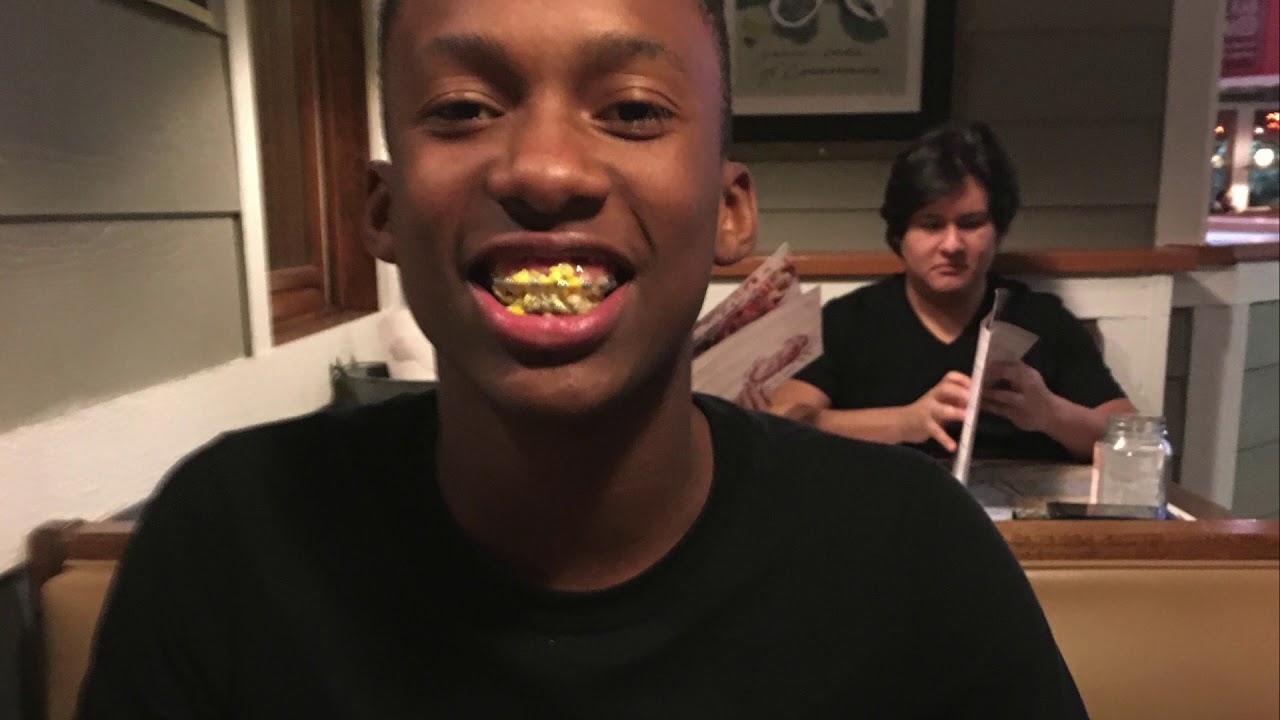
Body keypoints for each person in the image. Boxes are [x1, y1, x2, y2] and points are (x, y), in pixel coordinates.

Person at [76, 2, 1089, 717]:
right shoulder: (230, 543)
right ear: (381, 211)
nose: (545, 170)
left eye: (633, 110)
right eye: (463, 109)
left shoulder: (915, 558)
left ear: (729, 210)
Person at [768, 122, 1136, 462]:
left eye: (971, 224)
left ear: (998, 231)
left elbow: (1133, 438)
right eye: (931, 225)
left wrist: (1051, 414)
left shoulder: (1039, 319)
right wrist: (905, 422)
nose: (952, 245)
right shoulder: (850, 320)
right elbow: (784, 419)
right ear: (900, 234)